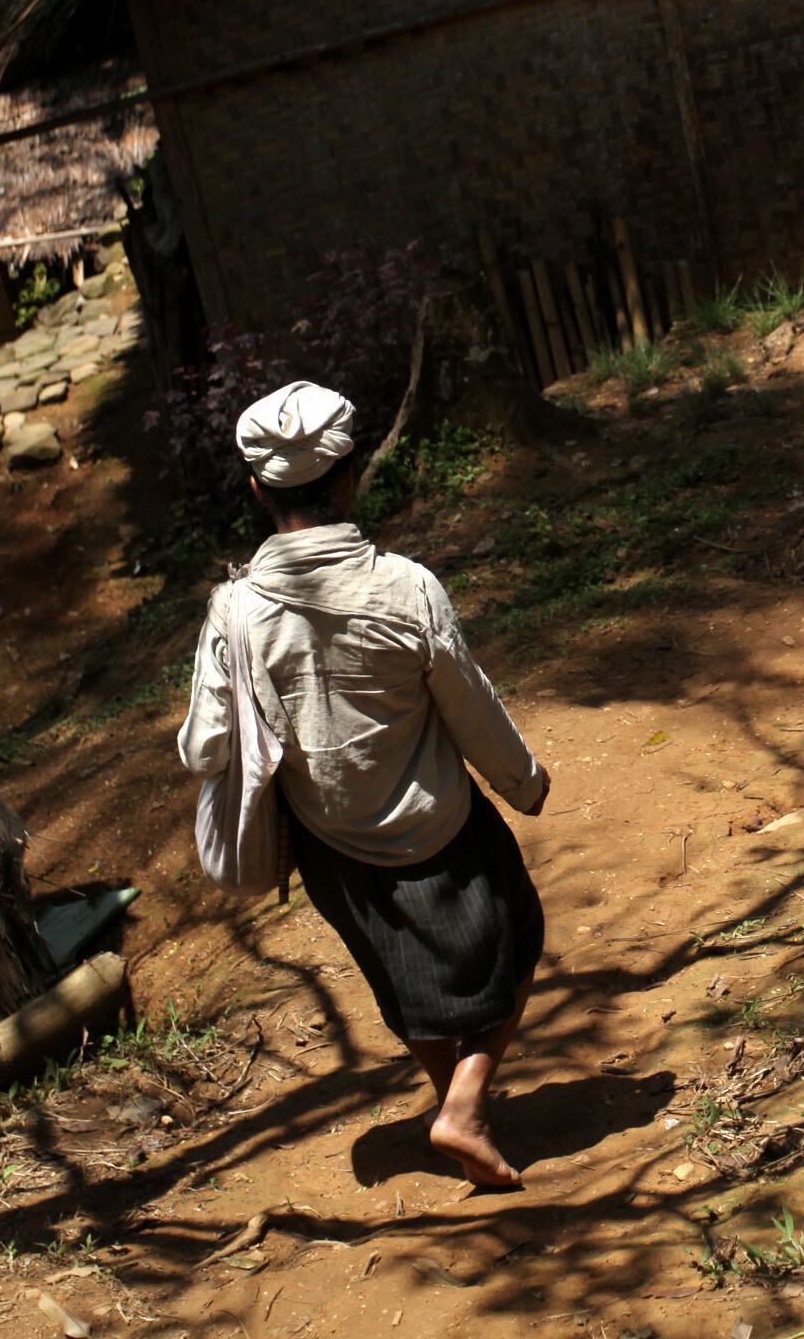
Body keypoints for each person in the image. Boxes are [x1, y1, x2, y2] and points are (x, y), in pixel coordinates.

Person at [176, 379, 552, 1187]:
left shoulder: (234, 612)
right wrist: (522, 781)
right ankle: (464, 1106)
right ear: (348, 477)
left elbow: (205, 744)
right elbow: (468, 704)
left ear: (255, 491)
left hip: (333, 845)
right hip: (438, 824)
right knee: (516, 938)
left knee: (404, 977)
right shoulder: (405, 588)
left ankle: (452, 1102)